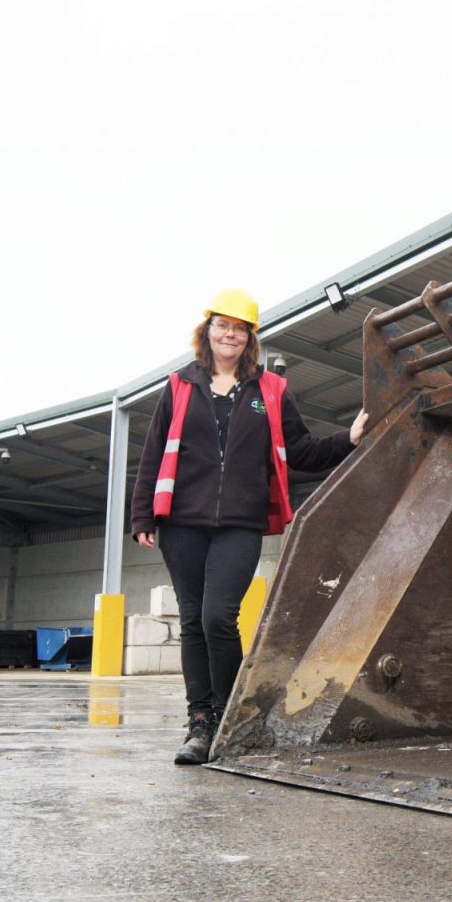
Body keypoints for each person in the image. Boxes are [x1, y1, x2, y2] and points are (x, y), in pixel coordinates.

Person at [130, 287, 367, 766]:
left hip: (239, 522)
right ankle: (200, 723)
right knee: (193, 620)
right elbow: (154, 453)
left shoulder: (270, 391)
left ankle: (230, 716)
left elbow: (301, 451)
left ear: (250, 338)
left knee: (218, 617)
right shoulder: (179, 386)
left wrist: (349, 437)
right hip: (182, 522)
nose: (230, 335)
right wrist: (142, 515)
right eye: (222, 325)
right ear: (208, 331)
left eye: (239, 329)